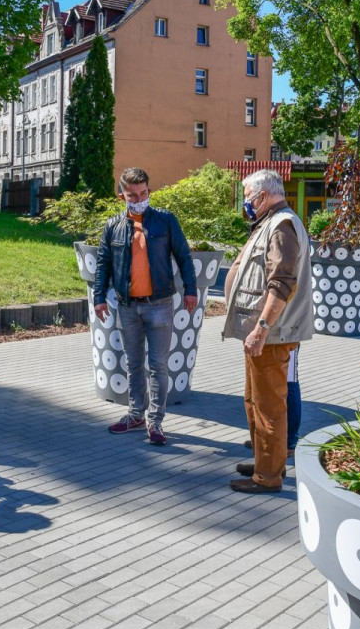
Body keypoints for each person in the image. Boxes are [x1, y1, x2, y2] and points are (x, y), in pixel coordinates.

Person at [222, 169, 313, 493]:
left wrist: (261, 328)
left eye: (247, 196)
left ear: (262, 196)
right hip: (265, 334)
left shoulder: (281, 226)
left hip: (272, 334)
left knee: (269, 406)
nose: (245, 202)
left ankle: (268, 477)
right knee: (255, 402)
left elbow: (282, 283)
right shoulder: (271, 222)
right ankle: (265, 463)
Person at [93, 168, 198, 445]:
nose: (138, 199)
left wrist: (190, 290)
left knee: (158, 365)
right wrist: (99, 297)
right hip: (127, 306)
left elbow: (184, 256)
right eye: (132, 195)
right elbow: (103, 264)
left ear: (149, 192)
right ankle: (135, 414)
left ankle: (155, 422)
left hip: (160, 304)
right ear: (122, 196)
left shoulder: (165, 221)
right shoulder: (112, 226)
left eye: (143, 193)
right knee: (133, 363)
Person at [244, 347, 301, 458]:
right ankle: (265, 441)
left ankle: (290, 442)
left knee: (289, 384)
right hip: (275, 340)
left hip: (287, 338)